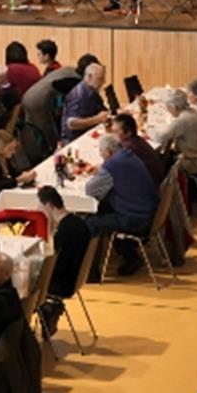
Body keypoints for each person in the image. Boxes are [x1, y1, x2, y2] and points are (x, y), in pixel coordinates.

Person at [85, 134, 160, 276]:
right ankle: (129, 255)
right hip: (147, 211)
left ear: (107, 152)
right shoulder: (128, 155)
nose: (101, 156)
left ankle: (91, 273)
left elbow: (90, 190)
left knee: (91, 222)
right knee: (100, 209)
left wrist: (101, 172)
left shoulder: (112, 165)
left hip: (137, 219)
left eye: (101, 153)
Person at [37, 186, 91, 299]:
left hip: (62, 284)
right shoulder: (78, 222)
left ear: (49, 206)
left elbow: (55, 265)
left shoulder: (65, 231)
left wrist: (48, 226)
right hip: (74, 278)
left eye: (40, 208)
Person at [154, 88, 197, 187]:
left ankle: (167, 195)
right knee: (166, 155)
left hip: (194, 162)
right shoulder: (195, 111)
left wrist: (150, 128)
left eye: (168, 108)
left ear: (174, 107)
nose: (168, 111)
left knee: (159, 162)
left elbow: (160, 138)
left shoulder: (182, 120)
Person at [110, 114, 166, 187]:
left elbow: (116, 170)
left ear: (128, 133)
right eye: (112, 131)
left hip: (152, 185)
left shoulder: (129, 149)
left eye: (116, 132)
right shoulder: (136, 139)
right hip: (159, 175)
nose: (113, 135)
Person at [60, 63, 110, 142]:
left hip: (88, 133)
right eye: (100, 79)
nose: (104, 82)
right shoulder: (79, 95)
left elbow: (102, 110)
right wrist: (97, 119)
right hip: (74, 140)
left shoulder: (92, 91)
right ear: (89, 77)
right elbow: (71, 123)